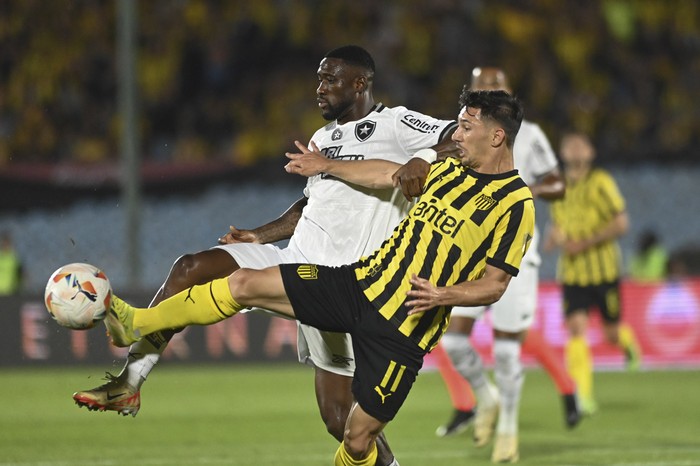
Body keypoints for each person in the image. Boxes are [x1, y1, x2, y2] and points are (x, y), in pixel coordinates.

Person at [101, 89, 536, 466]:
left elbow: (495, 283)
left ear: (496, 136)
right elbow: (383, 172)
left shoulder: (516, 204)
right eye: (457, 127)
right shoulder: (446, 171)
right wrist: (326, 164)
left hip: (401, 332)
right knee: (245, 283)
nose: (456, 135)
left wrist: (445, 294)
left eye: (465, 127)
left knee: (354, 435)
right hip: (357, 284)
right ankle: (136, 323)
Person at [431, 67, 575, 463]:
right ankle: (486, 396)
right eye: (481, 89)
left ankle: (508, 429)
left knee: (508, 349)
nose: (487, 94)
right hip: (470, 250)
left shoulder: (528, 134)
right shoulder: (461, 132)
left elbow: (557, 183)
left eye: (495, 89)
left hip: (516, 252)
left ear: (508, 94)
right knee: (455, 341)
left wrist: (524, 189)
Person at [544, 130, 642, 415]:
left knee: (611, 332)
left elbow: (622, 223)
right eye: (569, 145)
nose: (574, 150)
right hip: (572, 274)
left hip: (604, 271)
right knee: (576, 331)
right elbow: (558, 224)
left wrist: (584, 243)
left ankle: (627, 344)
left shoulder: (601, 182)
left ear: (590, 153)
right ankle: (583, 396)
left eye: (580, 145)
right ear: (562, 153)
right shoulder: (557, 185)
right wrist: (552, 239)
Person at [0, 231, 23, 296]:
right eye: (4, 243)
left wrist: (18, 288)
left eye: (7, 243)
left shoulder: (14, 258)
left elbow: (19, 275)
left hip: (10, 292)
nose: (5, 245)